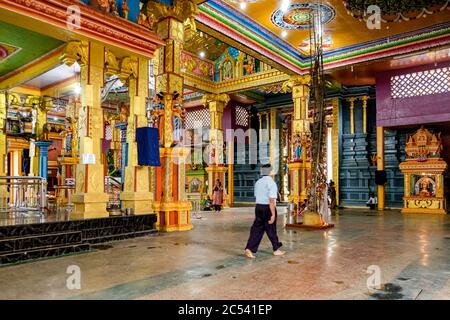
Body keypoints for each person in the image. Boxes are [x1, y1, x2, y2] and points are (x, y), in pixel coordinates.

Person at [244, 164, 285, 258]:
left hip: (258, 207)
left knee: (256, 228)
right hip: (268, 208)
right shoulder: (271, 183)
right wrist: (273, 214)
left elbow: (256, 195)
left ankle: (249, 248)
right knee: (271, 229)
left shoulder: (258, 182)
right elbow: (271, 200)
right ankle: (276, 249)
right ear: (270, 172)